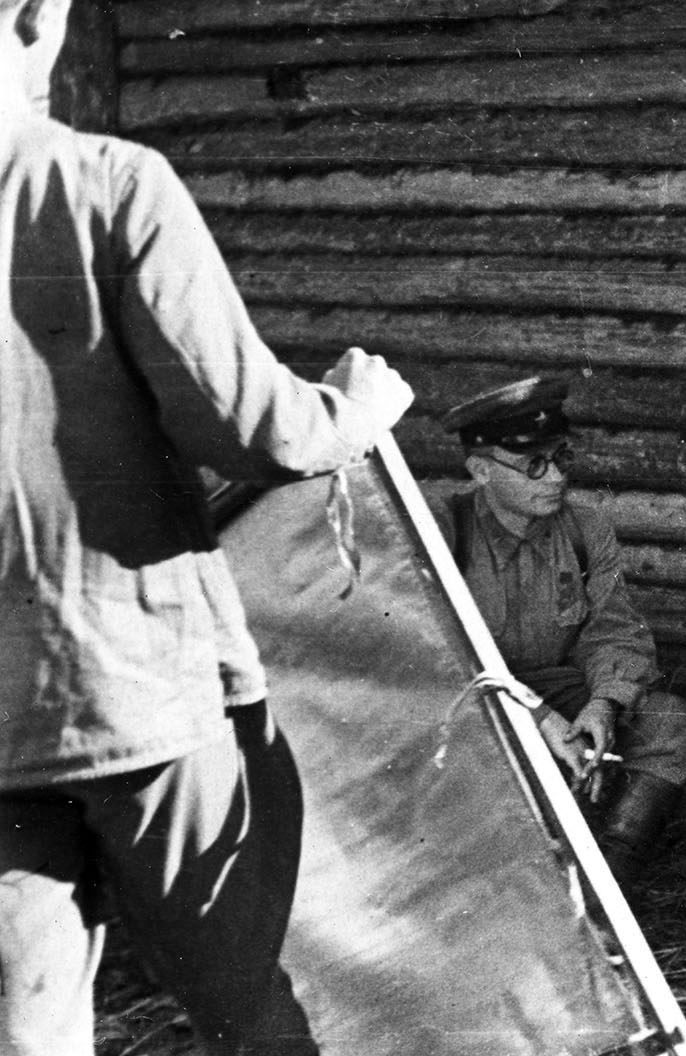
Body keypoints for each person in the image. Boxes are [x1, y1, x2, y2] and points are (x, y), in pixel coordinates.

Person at [0, 1, 416, 1052]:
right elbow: (255, 428)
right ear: (39, 21)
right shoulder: (105, 185)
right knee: (244, 996)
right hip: (131, 681)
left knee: (30, 1014)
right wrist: (354, 411)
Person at [436, 377, 686, 893]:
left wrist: (604, 704)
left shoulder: (585, 528)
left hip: (563, 694)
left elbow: (612, 630)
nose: (555, 476)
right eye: (534, 465)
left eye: (561, 456)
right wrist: (537, 718)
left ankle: (610, 884)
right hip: (471, 704)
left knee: (670, 724)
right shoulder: (447, 531)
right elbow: (435, 653)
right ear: (481, 470)